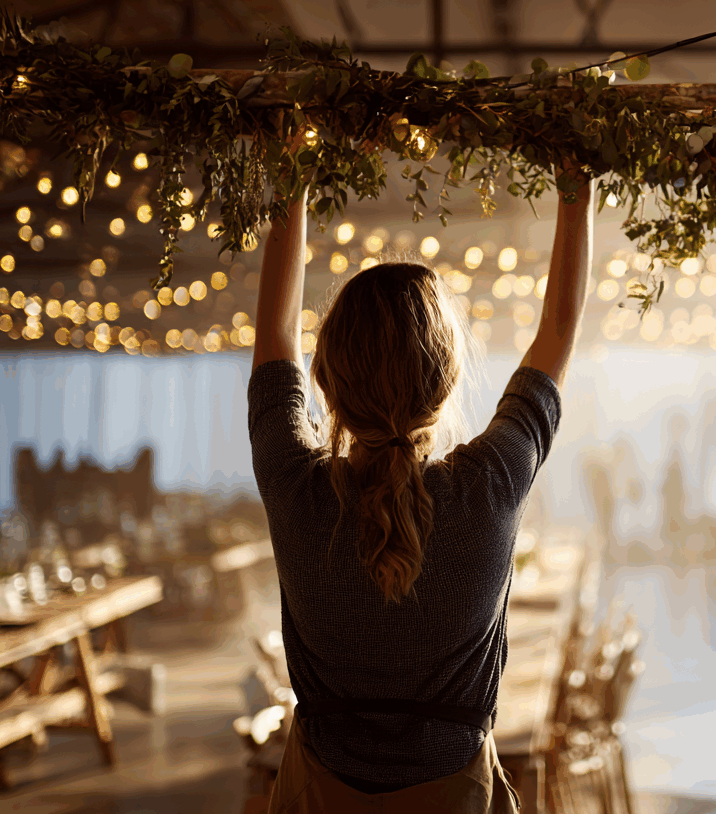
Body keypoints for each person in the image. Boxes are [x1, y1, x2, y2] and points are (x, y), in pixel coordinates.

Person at [247, 161, 592, 814]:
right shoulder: (489, 488)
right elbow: (559, 332)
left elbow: (271, 342)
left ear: (326, 380)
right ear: (447, 381)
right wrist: (578, 187)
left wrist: (291, 177)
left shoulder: (295, 487)